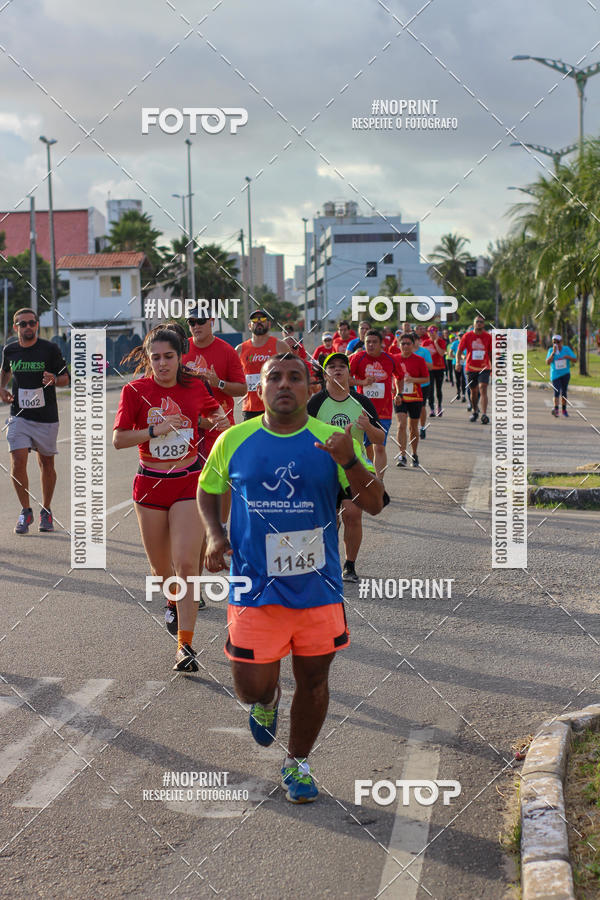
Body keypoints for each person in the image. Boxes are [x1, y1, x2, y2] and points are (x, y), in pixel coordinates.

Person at [198, 353, 385, 803]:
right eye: (274, 377)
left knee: (315, 679)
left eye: (295, 377)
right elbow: (208, 489)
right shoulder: (234, 439)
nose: (284, 384)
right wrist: (214, 535)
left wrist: (351, 461)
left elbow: (375, 503)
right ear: (258, 390)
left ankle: (298, 762)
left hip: (317, 586)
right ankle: (267, 702)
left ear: (310, 388)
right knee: (250, 685)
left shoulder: (332, 440)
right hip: (253, 585)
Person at [113, 327, 228, 672]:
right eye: (156, 357)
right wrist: (155, 430)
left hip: (187, 482)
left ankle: (185, 645)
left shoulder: (194, 387)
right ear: (148, 358)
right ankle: (171, 599)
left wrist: (210, 421)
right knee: (162, 569)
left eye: (169, 356)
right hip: (150, 486)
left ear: (180, 357)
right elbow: (119, 439)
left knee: (186, 565)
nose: (162, 364)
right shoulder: (135, 391)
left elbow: (219, 419)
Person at [307, 351, 385, 583]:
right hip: (323, 466)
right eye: (332, 367)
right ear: (325, 374)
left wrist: (368, 427)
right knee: (328, 519)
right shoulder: (316, 402)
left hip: (355, 465)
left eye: (342, 366)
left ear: (350, 373)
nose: (337, 370)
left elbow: (380, 438)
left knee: (352, 514)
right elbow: (301, 433)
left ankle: (349, 566)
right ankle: (326, 562)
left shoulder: (361, 402)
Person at [1, 308, 69, 534]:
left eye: (32, 323)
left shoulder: (50, 349)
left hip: (46, 417)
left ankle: (46, 510)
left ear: (37, 325)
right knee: (17, 461)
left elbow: (65, 379)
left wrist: (54, 380)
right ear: (15, 327)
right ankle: (25, 511)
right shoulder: (10, 350)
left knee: (46, 464)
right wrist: (1, 388)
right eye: (23, 324)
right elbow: (5, 372)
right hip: (19, 415)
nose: (28, 327)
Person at [182, 310, 246, 457]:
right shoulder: (181, 349)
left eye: (201, 321)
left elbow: (242, 389)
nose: (196, 326)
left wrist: (219, 383)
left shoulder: (227, 351)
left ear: (212, 321)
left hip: (220, 428)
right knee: (192, 476)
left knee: (220, 476)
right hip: (190, 426)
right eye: (192, 322)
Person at [349, 329, 398, 480]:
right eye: (367, 342)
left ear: (381, 344)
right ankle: (366, 476)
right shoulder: (358, 357)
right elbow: (346, 379)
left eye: (374, 342)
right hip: (361, 411)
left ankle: (379, 481)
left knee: (379, 447)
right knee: (363, 447)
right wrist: (362, 382)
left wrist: (398, 392)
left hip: (383, 412)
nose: (370, 345)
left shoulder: (390, 359)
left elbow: (399, 376)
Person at [236, 310, 289, 420]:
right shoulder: (240, 349)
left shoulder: (280, 346)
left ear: (269, 324)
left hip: (275, 406)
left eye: (263, 319)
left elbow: (291, 371)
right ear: (250, 326)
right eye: (255, 320)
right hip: (250, 408)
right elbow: (233, 376)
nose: (259, 322)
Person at [393, 333, 430, 468]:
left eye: (408, 343)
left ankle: (414, 454)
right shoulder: (395, 359)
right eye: (403, 343)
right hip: (400, 396)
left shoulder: (419, 360)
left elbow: (426, 379)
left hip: (415, 397)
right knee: (401, 425)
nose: (405, 346)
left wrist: (413, 380)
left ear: (413, 345)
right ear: (399, 345)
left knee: (413, 427)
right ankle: (402, 455)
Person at [457, 316, 492, 424]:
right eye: (477, 322)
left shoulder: (488, 336)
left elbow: (490, 353)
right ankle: (475, 410)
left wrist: (494, 366)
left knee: (483, 388)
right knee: (474, 392)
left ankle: (484, 414)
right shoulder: (467, 336)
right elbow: (459, 350)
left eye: (481, 322)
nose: (479, 323)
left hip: (484, 367)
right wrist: (458, 362)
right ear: (474, 323)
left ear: (483, 324)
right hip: (471, 368)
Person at [546, 335, 577, 417]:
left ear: (561, 342)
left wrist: (568, 357)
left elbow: (575, 360)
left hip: (565, 374)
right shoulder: (550, 350)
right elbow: (547, 362)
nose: (556, 344)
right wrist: (553, 353)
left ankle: (564, 410)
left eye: (558, 342)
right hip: (555, 374)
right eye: (554, 342)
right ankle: (556, 410)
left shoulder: (566, 349)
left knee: (564, 392)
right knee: (556, 391)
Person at [421, 325, 446, 417]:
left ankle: (439, 406)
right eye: (430, 333)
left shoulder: (441, 342)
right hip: (429, 369)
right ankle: (431, 409)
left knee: (438, 389)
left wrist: (435, 343)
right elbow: (422, 356)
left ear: (437, 333)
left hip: (439, 368)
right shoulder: (425, 342)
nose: (431, 335)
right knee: (430, 390)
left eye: (433, 333)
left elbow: (442, 353)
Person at [413, 331, 433, 440]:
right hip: (409, 385)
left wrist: (418, 362)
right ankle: (412, 427)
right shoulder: (404, 352)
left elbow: (430, 366)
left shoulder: (424, 352)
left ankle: (422, 427)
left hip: (423, 384)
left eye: (414, 340)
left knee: (422, 407)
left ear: (418, 341)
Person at [449, 332, 466, 403]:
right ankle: (458, 391)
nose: (461, 337)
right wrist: (456, 359)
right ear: (457, 337)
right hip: (456, 363)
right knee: (458, 378)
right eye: (459, 336)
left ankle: (463, 394)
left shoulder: (466, 342)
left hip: (465, 363)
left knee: (464, 379)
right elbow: (450, 353)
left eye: (462, 336)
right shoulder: (455, 343)